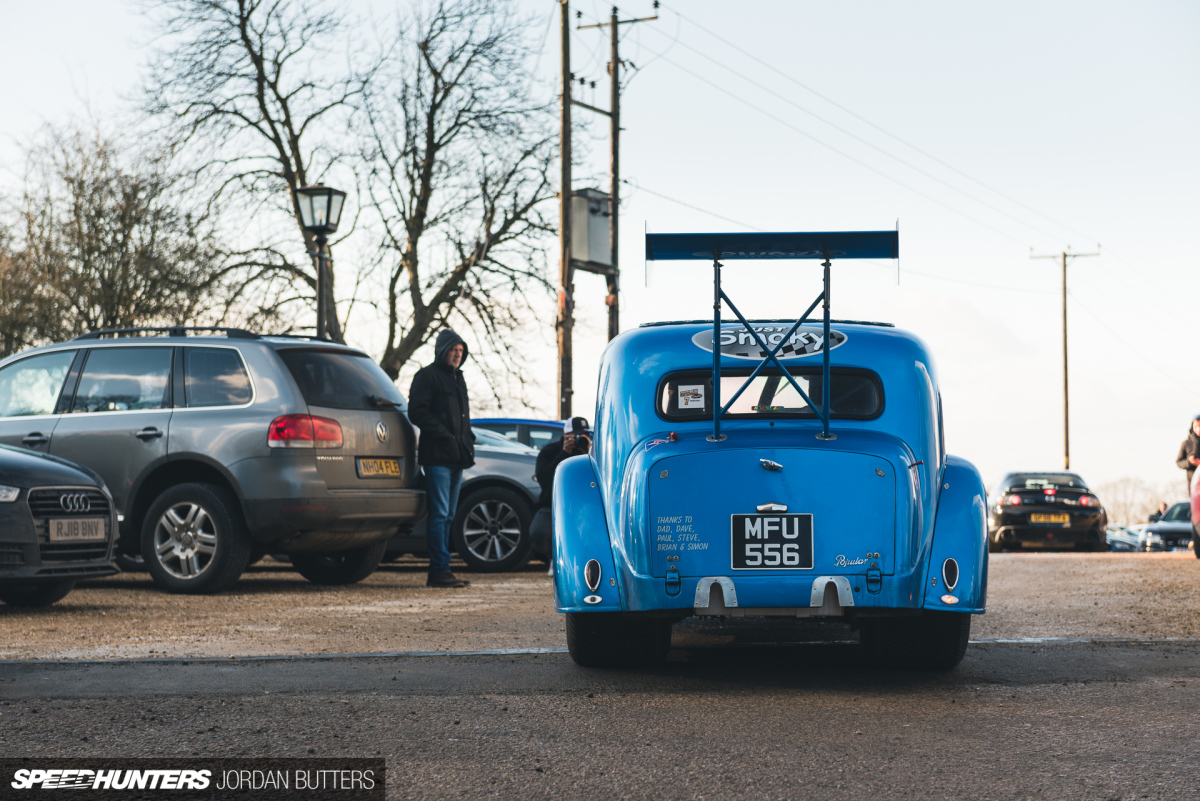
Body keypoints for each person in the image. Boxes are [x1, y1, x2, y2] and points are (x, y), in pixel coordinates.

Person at [408, 329, 475, 589]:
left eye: (461, 351)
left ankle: (442, 570)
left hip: (458, 457)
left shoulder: (459, 379)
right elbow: (417, 412)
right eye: (453, 350)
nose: (458, 355)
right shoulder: (427, 376)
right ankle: (439, 571)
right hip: (437, 457)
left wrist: (467, 439)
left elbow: (462, 418)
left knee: (448, 515)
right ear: (442, 350)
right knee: (439, 515)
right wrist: (445, 436)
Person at [530, 418, 592, 567]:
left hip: (584, 504)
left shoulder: (592, 450)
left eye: (584, 435)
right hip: (553, 504)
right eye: (575, 435)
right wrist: (564, 453)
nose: (579, 439)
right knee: (539, 532)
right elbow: (544, 480)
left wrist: (590, 453)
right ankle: (552, 558)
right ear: (565, 435)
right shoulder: (550, 451)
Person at [1175, 415, 1200, 495]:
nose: (1199, 428)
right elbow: (1179, 462)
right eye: (1196, 426)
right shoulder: (1186, 443)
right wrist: (1189, 462)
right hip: (1193, 482)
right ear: (1192, 427)